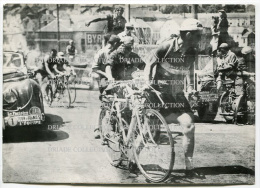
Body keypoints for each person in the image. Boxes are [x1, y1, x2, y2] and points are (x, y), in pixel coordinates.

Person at [143, 18, 204, 178]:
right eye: (199, 35)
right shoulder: (166, 47)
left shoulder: (193, 51)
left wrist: (190, 88)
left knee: (189, 125)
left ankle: (189, 167)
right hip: (158, 93)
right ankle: (130, 156)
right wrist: (146, 83)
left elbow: (189, 71)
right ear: (189, 35)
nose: (201, 39)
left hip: (176, 95)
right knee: (149, 131)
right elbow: (149, 64)